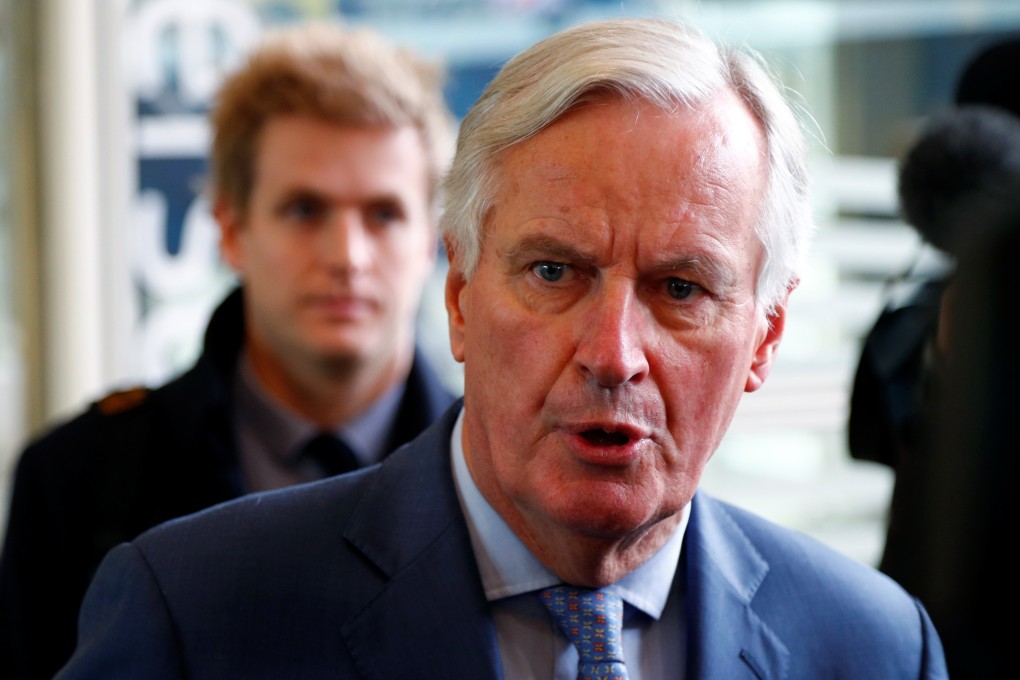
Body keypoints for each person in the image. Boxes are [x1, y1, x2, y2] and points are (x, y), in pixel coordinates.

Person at [56, 17, 947, 679]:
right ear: (458, 297)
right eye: (555, 272)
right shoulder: (197, 612)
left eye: (681, 289)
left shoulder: (873, 647)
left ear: (767, 338)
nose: (613, 354)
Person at [0, 22, 457, 680]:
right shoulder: (78, 480)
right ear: (230, 230)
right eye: (305, 210)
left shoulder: (500, 480)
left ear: (431, 243)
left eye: (384, 214)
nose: (348, 257)